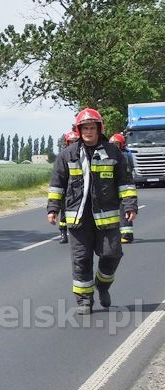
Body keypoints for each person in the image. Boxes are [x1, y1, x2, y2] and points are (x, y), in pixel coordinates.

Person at [47, 108, 138, 315]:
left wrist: (130, 205)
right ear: (79, 130)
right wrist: (53, 209)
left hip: (106, 218)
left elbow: (125, 183)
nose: (88, 131)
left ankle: (103, 285)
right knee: (81, 260)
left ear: (99, 129)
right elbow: (57, 185)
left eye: (92, 127)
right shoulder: (67, 155)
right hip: (78, 219)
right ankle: (84, 300)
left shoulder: (113, 153)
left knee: (113, 254)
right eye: (85, 128)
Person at [110, 133, 135, 243]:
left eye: (116, 144)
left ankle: (127, 235)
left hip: (123, 185)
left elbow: (128, 171)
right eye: (112, 144)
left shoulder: (124, 155)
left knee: (124, 208)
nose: (113, 146)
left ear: (122, 144)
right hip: (113, 186)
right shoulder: (111, 154)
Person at [57, 130, 81, 244]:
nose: (73, 144)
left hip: (78, 189)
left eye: (75, 141)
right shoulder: (63, 156)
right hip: (66, 190)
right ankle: (63, 233)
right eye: (71, 142)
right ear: (67, 143)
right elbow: (59, 176)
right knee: (64, 213)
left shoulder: (83, 155)